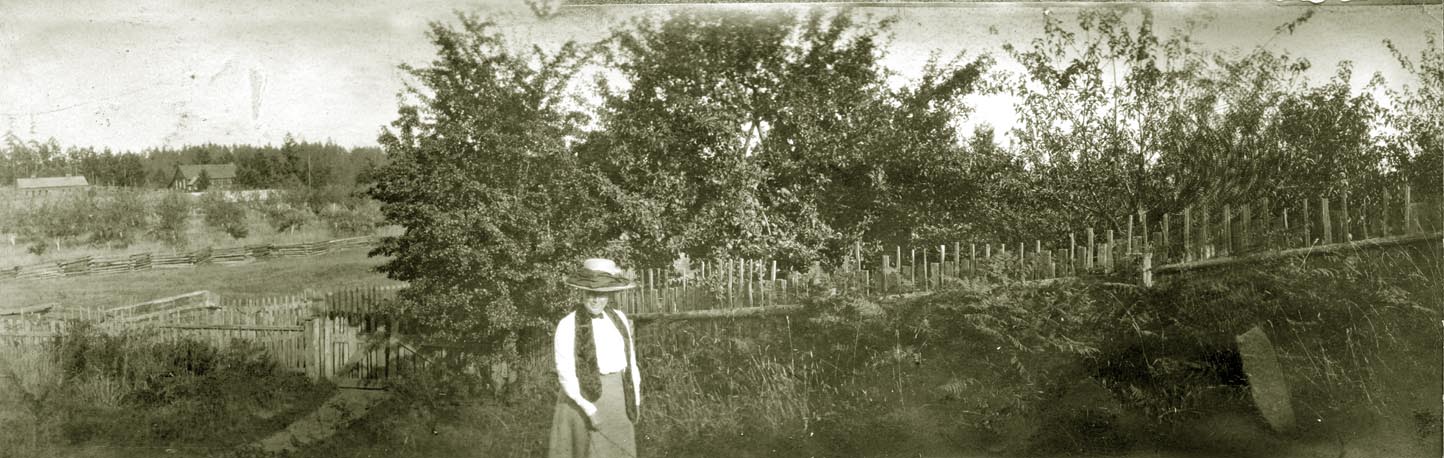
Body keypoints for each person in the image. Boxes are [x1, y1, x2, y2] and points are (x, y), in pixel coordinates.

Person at [549, 258, 642, 458]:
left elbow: (630, 361)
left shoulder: (619, 319)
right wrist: (589, 409)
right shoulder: (567, 325)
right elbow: (565, 372)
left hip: (617, 398)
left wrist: (635, 399)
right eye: (590, 293)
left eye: (601, 294)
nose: (595, 300)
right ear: (581, 292)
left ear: (609, 294)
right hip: (582, 398)